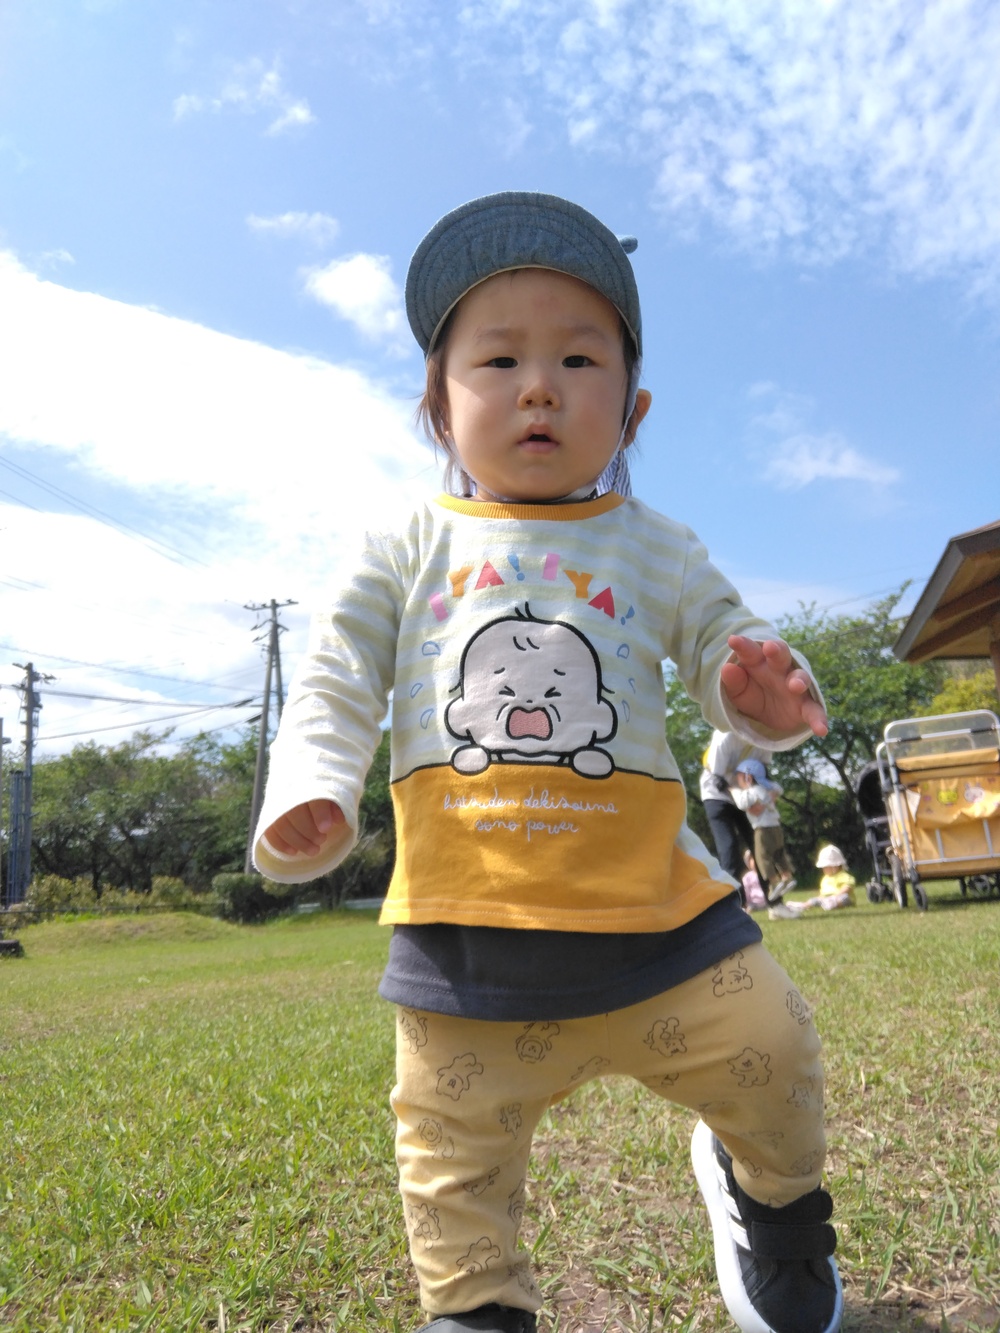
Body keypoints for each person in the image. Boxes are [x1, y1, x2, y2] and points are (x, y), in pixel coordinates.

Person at [253, 192, 842, 1333]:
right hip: (468, 950)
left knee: (774, 1054)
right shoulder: (403, 546)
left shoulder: (655, 544)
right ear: (436, 404)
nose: (538, 385)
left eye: (578, 357)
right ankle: (477, 1307)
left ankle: (770, 1205)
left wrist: (754, 691)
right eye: (499, 358)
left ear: (632, 407)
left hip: (665, 926)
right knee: (448, 1155)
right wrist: (313, 786)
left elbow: (728, 642)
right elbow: (332, 679)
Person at [698, 729, 771, 902]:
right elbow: (718, 781)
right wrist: (746, 801)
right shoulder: (726, 735)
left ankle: (775, 902)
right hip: (716, 796)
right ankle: (737, 905)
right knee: (729, 848)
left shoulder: (769, 738)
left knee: (760, 845)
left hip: (745, 796)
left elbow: (763, 774)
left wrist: (759, 801)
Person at [731, 757, 797, 901]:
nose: (738, 781)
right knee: (779, 853)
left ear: (748, 777)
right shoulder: (768, 788)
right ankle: (787, 877)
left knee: (762, 856)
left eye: (739, 777)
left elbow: (742, 804)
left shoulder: (751, 792)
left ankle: (774, 882)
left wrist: (733, 790)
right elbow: (779, 788)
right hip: (776, 827)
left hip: (762, 829)